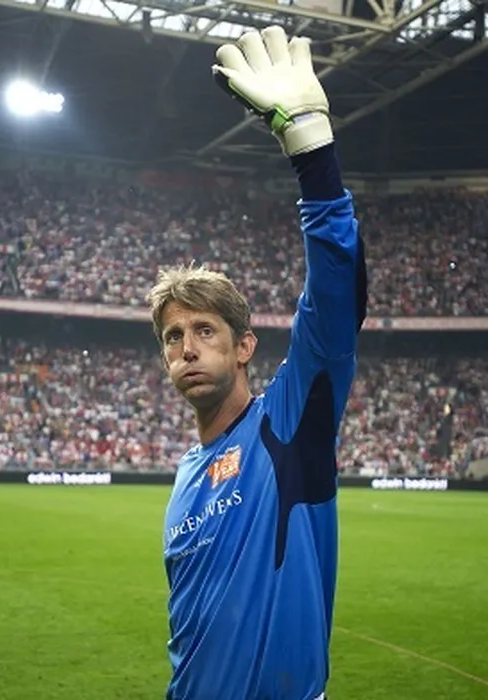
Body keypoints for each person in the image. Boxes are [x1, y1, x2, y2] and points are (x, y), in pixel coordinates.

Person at [146, 25, 368, 700]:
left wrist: (311, 151)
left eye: (204, 330)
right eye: (172, 336)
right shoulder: (186, 477)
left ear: (245, 346)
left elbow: (334, 302)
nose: (186, 347)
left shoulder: (287, 430)